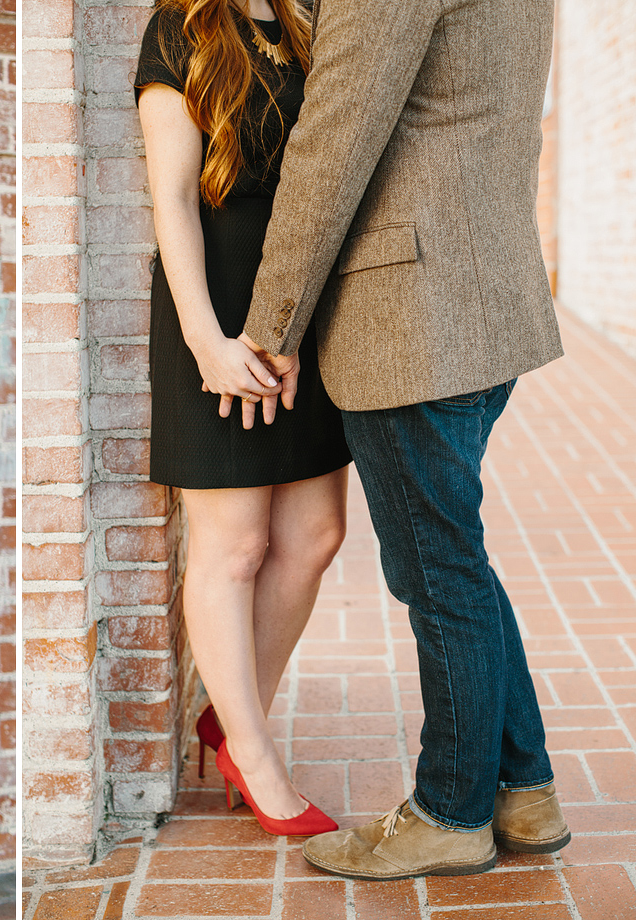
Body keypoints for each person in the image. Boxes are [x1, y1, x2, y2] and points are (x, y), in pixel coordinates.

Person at [237, 0, 567, 879]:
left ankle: (450, 811)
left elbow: (335, 134)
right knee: (453, 557)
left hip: (411, 312)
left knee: (438, 569)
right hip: (480, 296)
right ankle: (522, 789)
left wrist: (273, 322)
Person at [134, 0, 347, 837]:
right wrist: (207, 342)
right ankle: (252, 753)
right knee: (237, 545)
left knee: (316, 533)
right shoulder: (179, 28)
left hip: (296, 308)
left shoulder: (302, 25)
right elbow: (173, 197)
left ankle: (232, 713)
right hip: (215, 302)